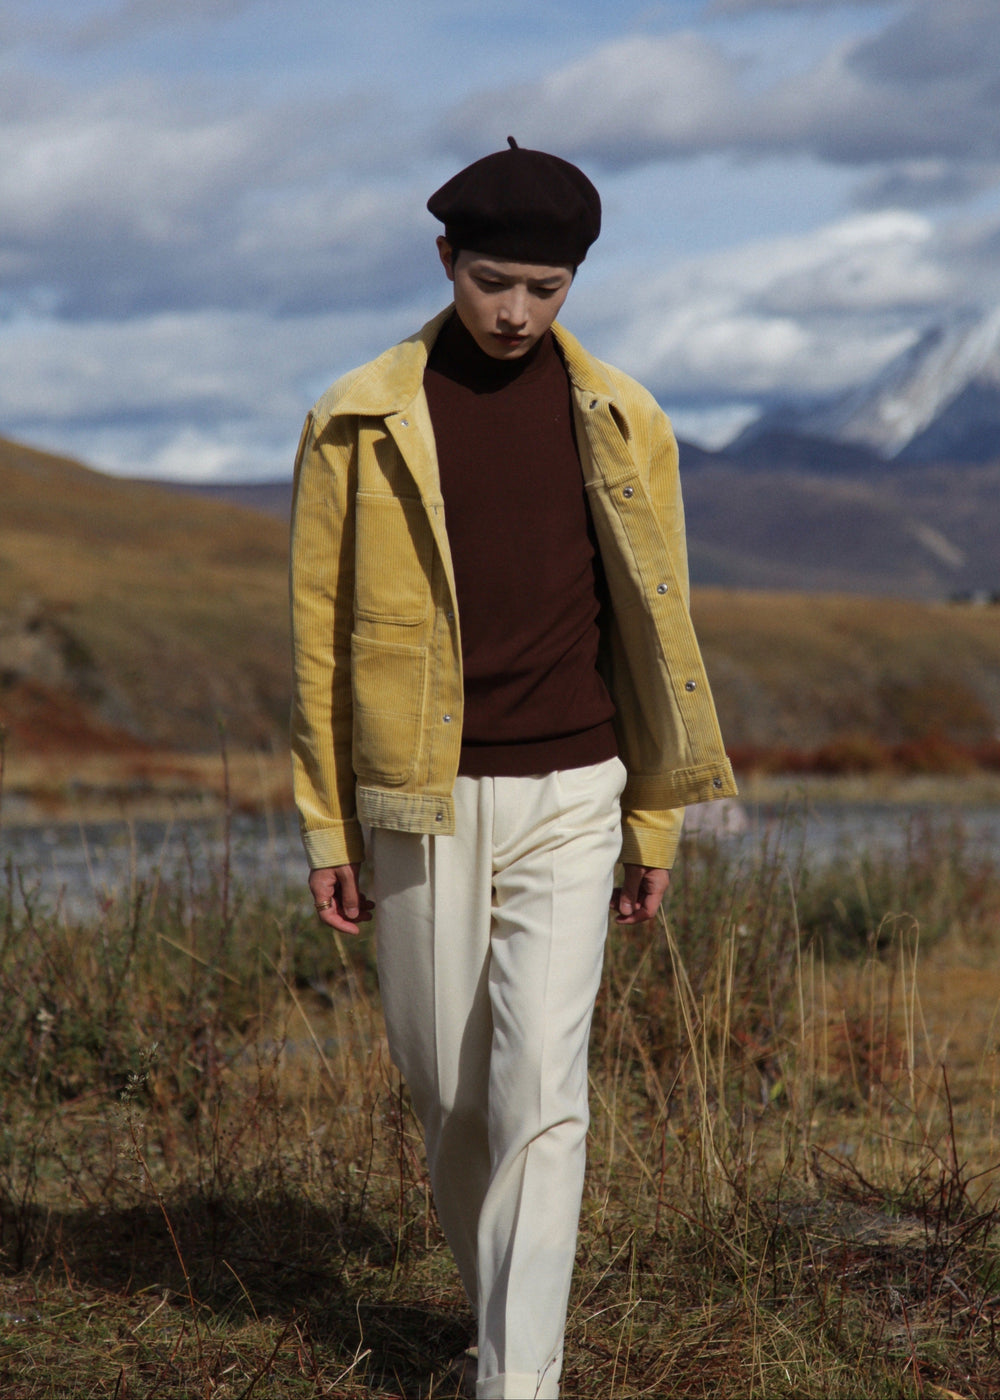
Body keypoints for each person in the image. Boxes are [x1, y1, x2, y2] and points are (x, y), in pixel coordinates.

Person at [289, 137, 736, 1400]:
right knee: (453, 1092)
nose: (516, 311)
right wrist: (327, 825)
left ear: (573, 281)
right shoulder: (357, 420)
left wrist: (655, 817)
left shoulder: (623, 415)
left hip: (578, 786)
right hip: (414, 798)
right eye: (492, 281)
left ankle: (515, 1376)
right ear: (445, 262)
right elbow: (315, 641)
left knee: (542, 1089)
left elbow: (657, 630)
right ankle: (494, 1314)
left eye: (545, 287)